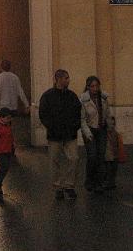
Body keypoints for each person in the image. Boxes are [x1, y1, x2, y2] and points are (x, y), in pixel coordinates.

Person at [38, 69, 82, 199]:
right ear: (58, 79)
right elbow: (43, 113)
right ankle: (58, 186)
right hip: (55, 134)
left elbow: (78, 112)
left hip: (70, 133)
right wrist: (50, 126)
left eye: (68, 78)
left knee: (74, 159)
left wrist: (75, 125)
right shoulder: (47, 96)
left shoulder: (72, 96)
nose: (68, 80)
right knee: (54, 161)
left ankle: (69, 185)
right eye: (66, 78)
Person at [79, 75, 114, 193]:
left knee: (101, 156)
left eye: (97, 86)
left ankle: (99, 182)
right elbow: (82, 119)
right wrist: (87, 133)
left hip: (102, 129)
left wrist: (110, 128)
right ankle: (90, 180)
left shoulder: (103, 98)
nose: (95, 88)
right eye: (92, 86)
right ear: (88, 87)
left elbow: (107, 114)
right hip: (90, 130)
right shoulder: (84, 100)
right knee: (92, 156)